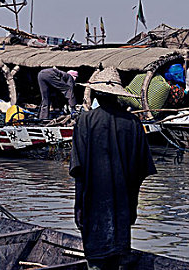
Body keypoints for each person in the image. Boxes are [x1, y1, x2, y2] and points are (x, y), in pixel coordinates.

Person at [69, 67, 157, 269]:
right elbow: (141, 170)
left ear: (98, 94)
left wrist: (78, 206)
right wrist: (132, 202)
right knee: (118, 252)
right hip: (123, 202)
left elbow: (78, 170)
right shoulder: (134, 123)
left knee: (96, 256)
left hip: (93, 201)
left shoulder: (85, 121)